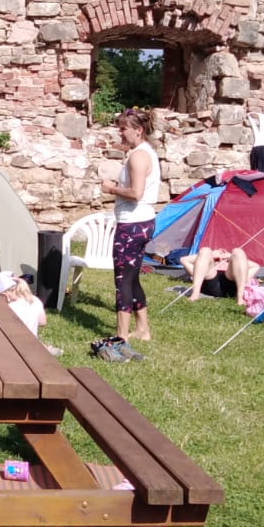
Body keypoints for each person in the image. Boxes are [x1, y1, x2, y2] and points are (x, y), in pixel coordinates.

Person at [101, 107, 160, 348]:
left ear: (139, 130)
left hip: (133, 224)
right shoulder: (145, 152)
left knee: (122, 280)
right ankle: (143, 329)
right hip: (143, 222)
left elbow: (136, 193)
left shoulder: (138, 156)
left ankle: (121, 335)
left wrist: (111, 188)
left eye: (123, 128)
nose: (120, 132)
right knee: (132, 277)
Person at [181, 246, 260, 304]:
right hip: (208, 280)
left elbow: (256, 266)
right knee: (205, 250)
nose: (221, 260)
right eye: (218, 260)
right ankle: (195, 295)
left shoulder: (231, 266)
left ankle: (240, 298)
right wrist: (212, 255)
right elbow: (183, 260)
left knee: (238, 251)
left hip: (231, 282)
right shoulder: (207, 266)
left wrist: (230, 256)